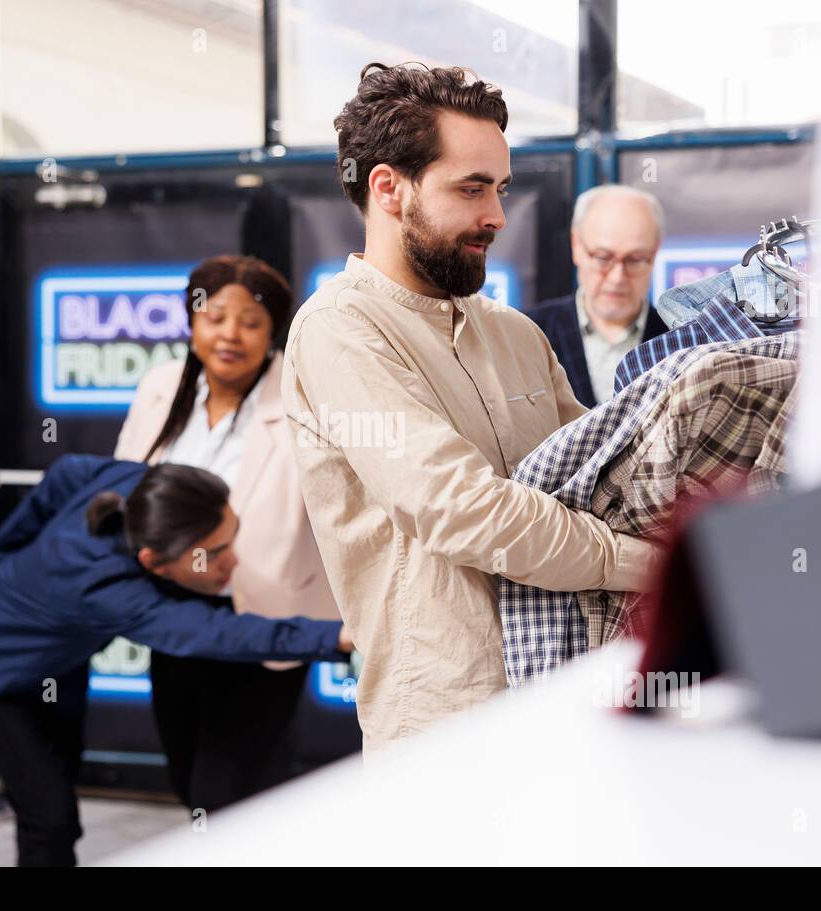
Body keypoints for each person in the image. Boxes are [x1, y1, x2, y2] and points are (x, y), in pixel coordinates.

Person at [281, 63, 659, 753]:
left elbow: (610, 481)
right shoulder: (338, 330)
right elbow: (463, 509)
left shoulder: (515, 334)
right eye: (472, 188)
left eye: (501, 189)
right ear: (389, 188)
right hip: (445, 734)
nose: (496, 216)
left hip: (569, 705)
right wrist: (644, 563)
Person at [0, 455, 350, 866]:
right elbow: (221, 632)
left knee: (56, 789)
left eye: (232, 536)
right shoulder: (105, 591)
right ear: (152, 561)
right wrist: (336, 635)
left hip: (56, 666)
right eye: (214, 553)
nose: (233, 561)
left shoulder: (136, 485)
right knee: (51, 820)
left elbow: (66, 472)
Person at [115, 255, 342, 812]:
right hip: (172, 616)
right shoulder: (160, 387)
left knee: (228, 790)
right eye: (214, 317)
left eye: (250, 322)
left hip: (261, 618)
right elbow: (123, 484)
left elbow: (343, 506)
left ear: (273, 333)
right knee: (187, 777)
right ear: (192, 322)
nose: (230, 335)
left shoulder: (304, 397)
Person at [526, 184, 668, 406]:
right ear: (576, 246)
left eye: (635, 259)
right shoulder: (527, 333)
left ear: (655, 252)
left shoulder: (681, 340)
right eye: (603, 257)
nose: (617, 278)